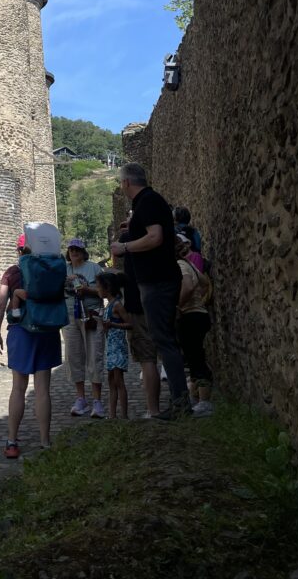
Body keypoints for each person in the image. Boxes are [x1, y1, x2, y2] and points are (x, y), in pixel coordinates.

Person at [111, 163, 191, 419]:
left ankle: (181, 404)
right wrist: (132, 228)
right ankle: (180, 402)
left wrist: (124, 247)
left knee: (164, 341)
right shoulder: (149, 202)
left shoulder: (147, 202)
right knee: (164, 340)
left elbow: (155, 237)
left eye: (121, 183)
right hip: (158, 280)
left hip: (157, 281)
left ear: (126, 183)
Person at [0, 228, 63, 459]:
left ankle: (12, 440)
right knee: (43, 389)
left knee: (18, 388)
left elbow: (1, 302)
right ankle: (45, 440)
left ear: (20, 250)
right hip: (48, 329)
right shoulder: (52, 268)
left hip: (21, 331)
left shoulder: (13, 272)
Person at [115, 217, 161, 418]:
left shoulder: (128, 237)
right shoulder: (160, 238)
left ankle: (153, 409)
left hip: (137, 303)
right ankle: (177, 401)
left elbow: (116, 251)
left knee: (147, 358)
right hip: (160, 299)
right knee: (165, 353)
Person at [62, 238, 106, 419]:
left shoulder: (94, 268)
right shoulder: (63, 269)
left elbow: (104, 292)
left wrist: (86, 288)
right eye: (71, 249)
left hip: (92, 316)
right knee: (74, 357)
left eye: (77, 249)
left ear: (83, 251)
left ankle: (97, 401)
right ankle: (81, 399)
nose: (74, 252)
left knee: (94, 355)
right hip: (69, 316)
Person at [175, 234, 214, 417]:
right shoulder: (189, 263)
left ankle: (205, 401)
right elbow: (205, 283)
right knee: (193, 358)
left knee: (196, 359)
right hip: (200, 314)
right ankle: (195, 398)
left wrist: (179, 306)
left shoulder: (180, 265)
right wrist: (200, 300)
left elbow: (189, 287)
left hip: (190, 316)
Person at [96, 272, 132, 420]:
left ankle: (123, 415)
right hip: (110, 349)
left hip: (118, 348)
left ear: (107, 288)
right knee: (111, 381)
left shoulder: (117, 305)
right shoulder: (109, 305)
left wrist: (112, 324)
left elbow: (129, 323)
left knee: (119, 381)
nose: (97, 289)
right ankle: (112, 414)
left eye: (99, 287)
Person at [173, 206, 205, 272]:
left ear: (176, 218)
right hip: (196, 260)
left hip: (180, 263)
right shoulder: (194, 232)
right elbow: (198, 248)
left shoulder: (173, 231)